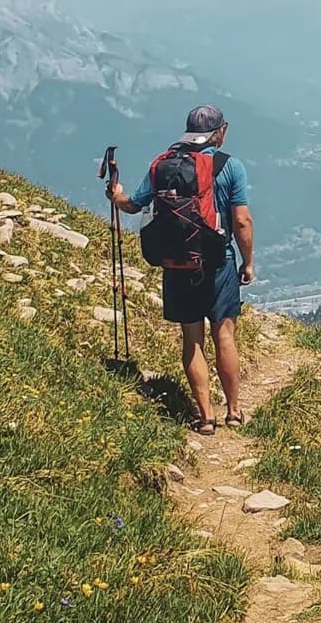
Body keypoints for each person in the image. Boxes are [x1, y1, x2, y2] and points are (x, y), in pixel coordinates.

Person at [106, 105, 255, 434]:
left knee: (193, 341)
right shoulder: (230, 167)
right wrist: (248, 262)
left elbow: (135, 205)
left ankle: (205, 418)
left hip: (176, 263)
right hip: (218, 262)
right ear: (219, 132)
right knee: (224, 335)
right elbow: (241, 221)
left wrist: (117, 197)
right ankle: (233, 411)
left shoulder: (163, 163)